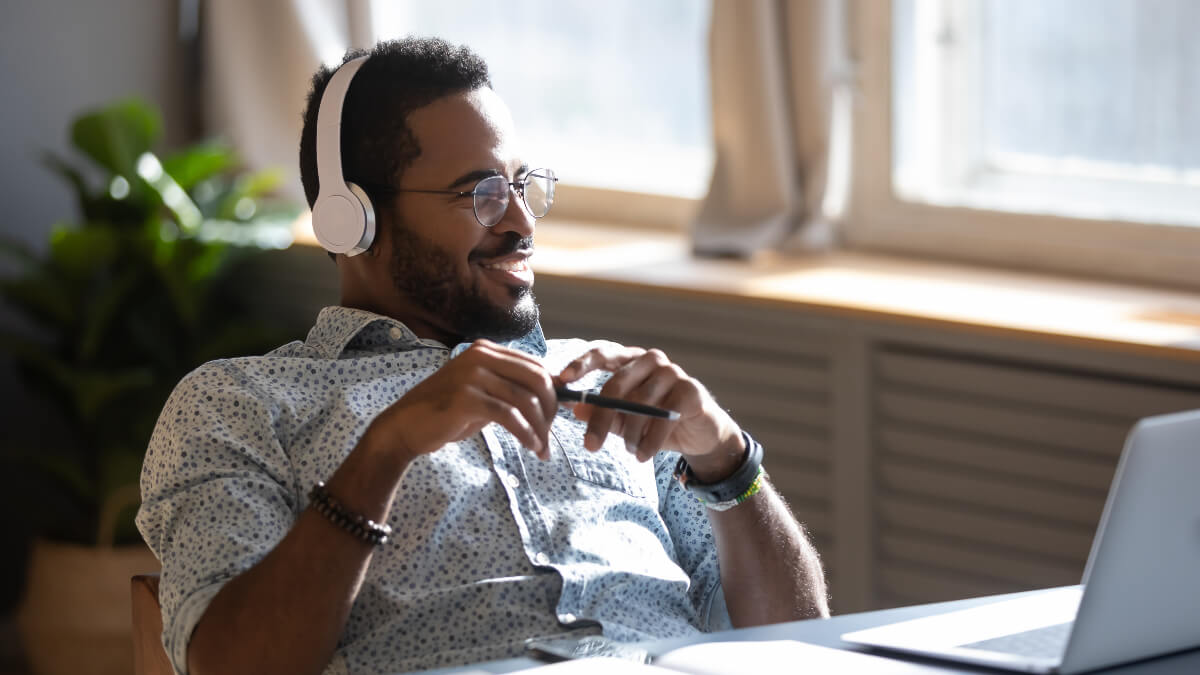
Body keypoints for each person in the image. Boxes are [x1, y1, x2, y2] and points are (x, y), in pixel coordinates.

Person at [136, 37, 828, 675]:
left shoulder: (609, 387)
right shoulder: (240, 403)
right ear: (353, 217)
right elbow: (232, 665)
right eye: (483, 193)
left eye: (524, 186)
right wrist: (385, 450)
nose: (523, 222)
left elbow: (801, 650)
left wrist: (728, 459)